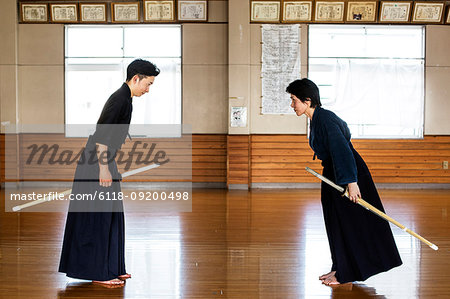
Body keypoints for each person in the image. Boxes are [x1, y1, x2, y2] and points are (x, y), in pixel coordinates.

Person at [286, 78, 402, 286]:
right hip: (334, 173)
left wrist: (351, 182)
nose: (292, 104)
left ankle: (347, 272)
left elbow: (343, 150)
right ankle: (340, 268)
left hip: (348, 175)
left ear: (307, 100)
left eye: (294, 100)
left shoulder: (326, 119)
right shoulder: (317, 118)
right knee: (335, 222)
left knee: (350, 224)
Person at [59, 59, 160, 286]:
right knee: (98, 219)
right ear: (136, 78)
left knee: (112, 215)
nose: (148, 89)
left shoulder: (126, 98)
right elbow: (102, 136)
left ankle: (113, 266)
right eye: (148, 84)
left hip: (103, 161)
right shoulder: (119, 99)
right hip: (95, 164)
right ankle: (99, 272)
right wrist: (104, 169)